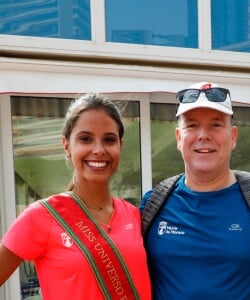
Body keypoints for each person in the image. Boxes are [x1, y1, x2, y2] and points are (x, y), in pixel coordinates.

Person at [140, 82, 250, 299]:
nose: (203, 135)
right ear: (179, 138)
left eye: (216, 125)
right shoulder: (154, 204)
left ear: (233, 136)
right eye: (192, 125)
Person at [0, 93, 151, 299]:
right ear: (66, 145)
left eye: (109, 140)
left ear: (120, 146)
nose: (98, 150)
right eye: (85, 139)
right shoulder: (41, 216)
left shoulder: (133, 214)